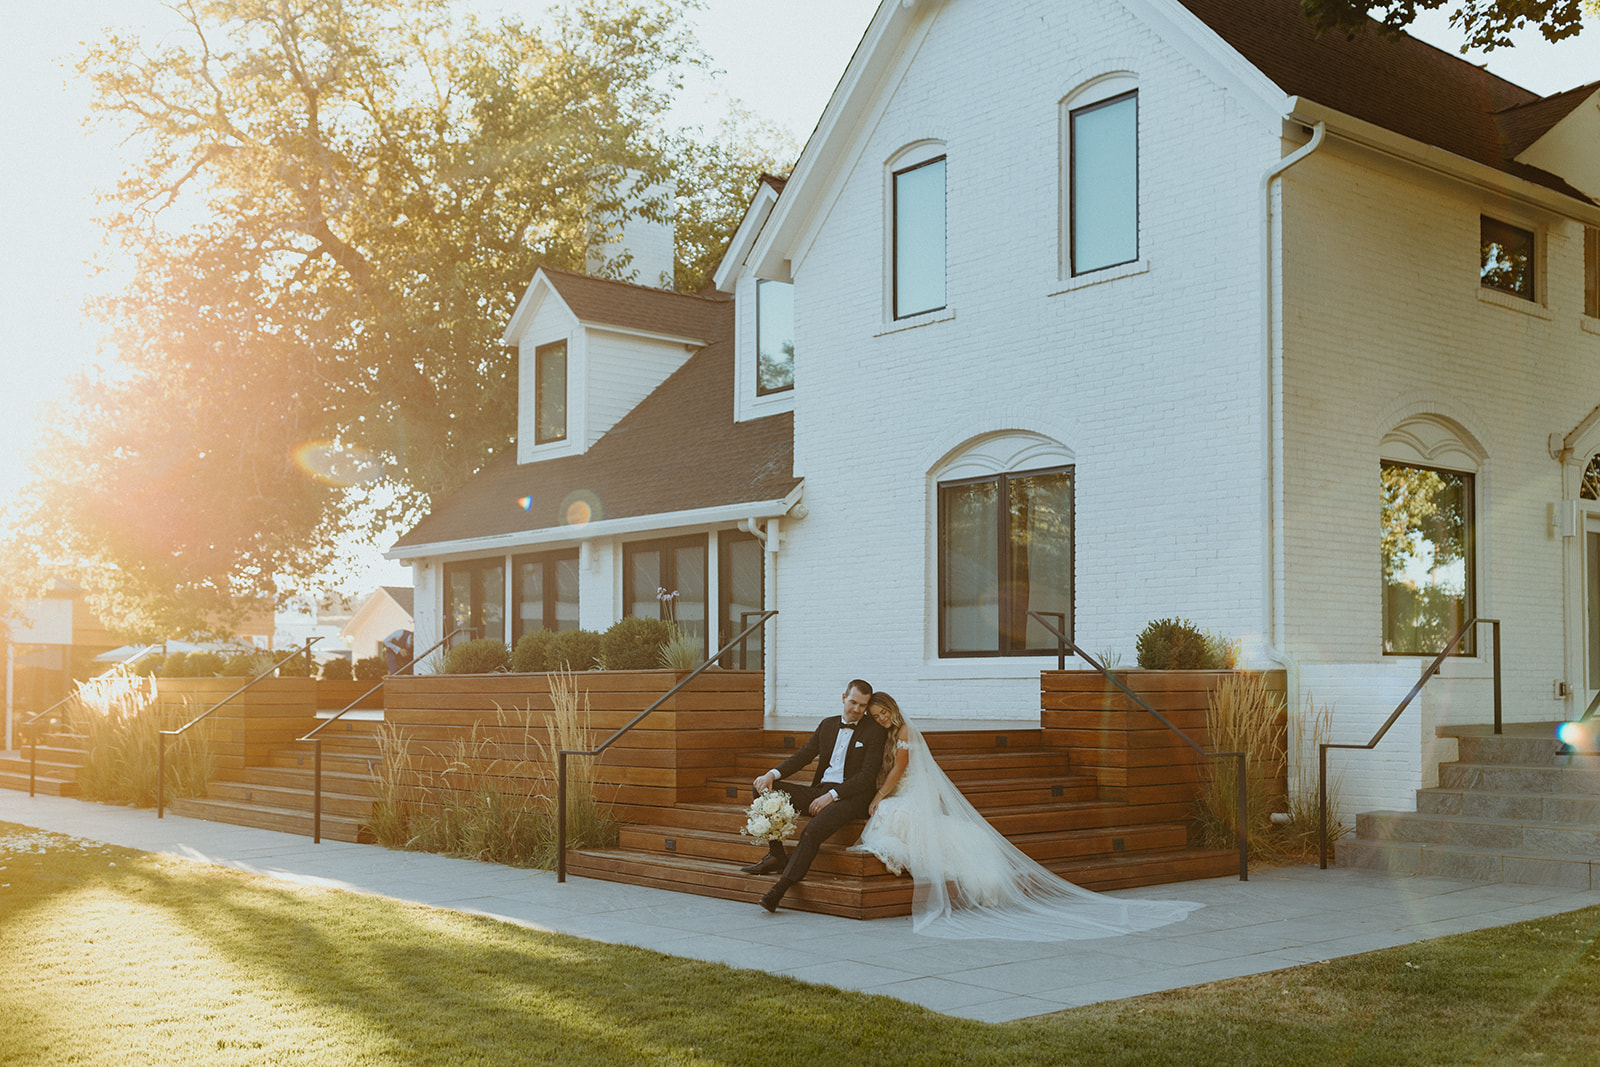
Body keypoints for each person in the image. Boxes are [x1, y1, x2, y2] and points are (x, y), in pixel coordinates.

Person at [850, 692, 1203, 940]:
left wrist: (879, 795)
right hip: (908, 792)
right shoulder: (888, 733)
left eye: (884, 712)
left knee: (892, 813)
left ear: (893, 709)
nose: (882, 718)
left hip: (914, 793)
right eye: (877, 715)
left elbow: (900, 769)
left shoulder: (907, 732)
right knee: (895, 815)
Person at [743, 679, 887, 912]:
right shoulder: (828, 725)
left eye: (863, 705)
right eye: (853, 702)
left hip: (852, 797)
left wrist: (832, 795)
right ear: (843, 698)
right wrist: (771, 774)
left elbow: (867, 777)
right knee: (762, 788)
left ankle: (779, 889)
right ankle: (777, 854)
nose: (856, 709)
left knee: (811, 831)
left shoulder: (874, 732)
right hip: (821, 790)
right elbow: (803, 755)